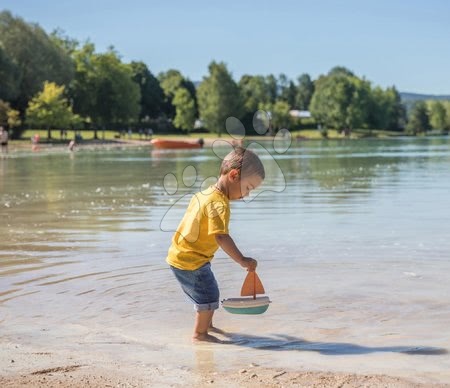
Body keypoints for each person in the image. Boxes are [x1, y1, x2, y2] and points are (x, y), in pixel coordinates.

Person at [166, 147, 265, 343]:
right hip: (192, 260)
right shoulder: (219, 203)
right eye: (248, 188)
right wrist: (242, 260)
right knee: (209, 294)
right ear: (234, 175)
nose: (246, 195)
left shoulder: (204, 194)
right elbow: (221, 236)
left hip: (181, 255)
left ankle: (207, 324)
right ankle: (200, 334)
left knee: (205, 293)